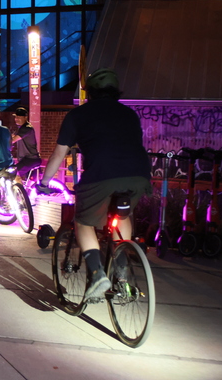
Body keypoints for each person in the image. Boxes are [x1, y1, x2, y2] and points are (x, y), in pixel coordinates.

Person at [37, 68, 151, 299]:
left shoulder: (78, 115)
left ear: (90, 92)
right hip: (138, 175)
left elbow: (59, 154)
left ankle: (98, 274)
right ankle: (122, 271)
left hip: (101, 176)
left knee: (83, 221)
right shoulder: (129, 114)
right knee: (123, 216)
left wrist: (45, 181)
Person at [10, 106, 41, 181]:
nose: (16, 119)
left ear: (25, 117)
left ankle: (19, 188)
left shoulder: (27, 128)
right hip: (26, 159)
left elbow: (13, 140)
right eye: (16, 117)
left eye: (19, 117)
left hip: (30, 159)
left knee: (13, 173)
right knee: (24, 180)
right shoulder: (21, 128)